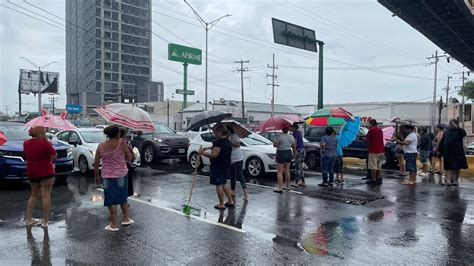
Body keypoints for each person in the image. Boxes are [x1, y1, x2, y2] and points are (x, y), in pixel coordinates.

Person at [94, 125, 134, 232]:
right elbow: (130, 158)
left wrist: (97, 175)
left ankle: (114, 224)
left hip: (107, 176)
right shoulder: (122, 144)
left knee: (111, 199)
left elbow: (97, 162)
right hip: (121, 174)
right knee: (122, 196)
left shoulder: (101, 146)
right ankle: (125, 219)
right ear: (117, 134)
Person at [24, 126, 57, 228]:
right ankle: (45, 221)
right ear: (41, 133)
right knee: (45, 195)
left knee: (33, 195)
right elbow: (54, 156)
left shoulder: (26, 143)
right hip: (46, 172)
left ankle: (28, 219)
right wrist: (49, 144)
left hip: (32, 172)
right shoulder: (45, 143)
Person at [199, 124, 235, 209]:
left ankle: (221, 204)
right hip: (226, 165)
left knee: (218, 184)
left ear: (220, 131)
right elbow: (218, 149)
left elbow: (214, 155)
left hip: (218, 166)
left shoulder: (219, 142)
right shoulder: (227, 141)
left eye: (216, 131)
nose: (214, 133)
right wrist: (209, 147)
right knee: (223, 183)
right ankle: (230, 200)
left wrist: (202, 153)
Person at [439, 119, 468, 186]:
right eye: (450, 123)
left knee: (457, 167)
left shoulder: (459, 131)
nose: (451, 124)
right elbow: (442, 141)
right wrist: (440, 150)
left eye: (452, 123)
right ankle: (448, 181)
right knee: (447, 167)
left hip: (457, 152)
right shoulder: (447, 132)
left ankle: (456, 180)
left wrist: (456, 127)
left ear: (456, 124)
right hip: (447, 152)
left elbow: (464, 134)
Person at [273, 126, 296, 193]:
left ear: (282, 129)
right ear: (288, 129)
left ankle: (280, 188)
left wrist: (275, 141)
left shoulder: (279, 136)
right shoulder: (291, 136)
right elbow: (294, 146)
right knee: (287, 170)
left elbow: (275, 145)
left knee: (280, 171)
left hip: (281, 153)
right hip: (289, 152)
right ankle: (287, 186)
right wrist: (294, 154)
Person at [228, 127, 249, 200]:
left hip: (238, 158)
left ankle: (245, 192)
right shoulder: (227, 136)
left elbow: (238, 145)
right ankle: (233, 191)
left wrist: (230, 143)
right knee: (232, 175)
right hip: (230, 158)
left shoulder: (235, 136)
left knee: (239, 175)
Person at [365, 119, 385, 186]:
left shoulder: (371, 130)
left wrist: (364, 139)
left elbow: (367, 139)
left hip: (373, 150)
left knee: (373, 165)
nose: (368, 125)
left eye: (369, 123)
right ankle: (378, 177)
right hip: (381, 149)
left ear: (371, 123)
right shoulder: (380, 130)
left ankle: (373, 179)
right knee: (378, 165)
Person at [119, 127, 135, 197]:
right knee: (126, 184)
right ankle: (124, 201)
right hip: (126, 164)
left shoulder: (114, 141)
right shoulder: (126, 142)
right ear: (124, 134)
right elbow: (131, 155)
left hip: (117, 164)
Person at [290, 123, 306, 187]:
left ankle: (296, 183)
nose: (289, 128)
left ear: (294, 127)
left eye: (290, 127)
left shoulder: (295, 133)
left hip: (298, 150)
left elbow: (295, 143)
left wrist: (294, 151)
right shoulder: (299, 132)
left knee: (297, 167)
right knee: (300, 166)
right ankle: (303, 181)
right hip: (302, 150)